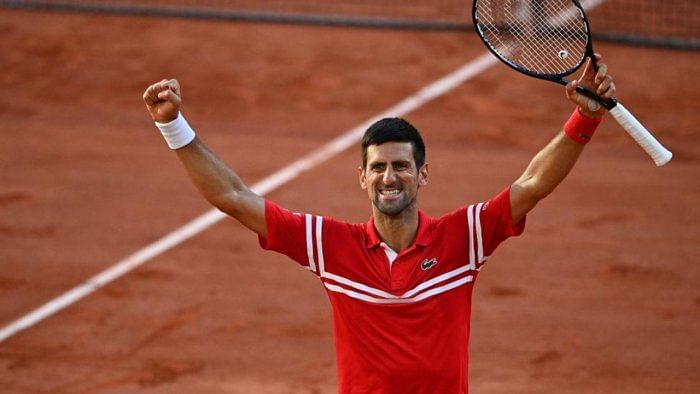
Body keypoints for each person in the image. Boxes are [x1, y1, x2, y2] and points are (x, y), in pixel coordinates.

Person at [143, 54, 615, 393]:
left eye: (401, 166)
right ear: (363, 178)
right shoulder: (329, 246)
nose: (390, 177)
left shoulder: (463, 237)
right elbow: (234, 198)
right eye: (378, 168)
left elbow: (532, 184)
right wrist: (173, 126)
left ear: (422, 174)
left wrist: (583, 119)